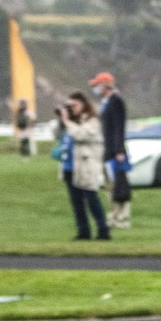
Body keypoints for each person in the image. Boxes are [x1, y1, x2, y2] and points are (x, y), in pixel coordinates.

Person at [55, 91, 111, 241]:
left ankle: (103, 230)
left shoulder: (93, 120)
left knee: (92, 199)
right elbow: (57, 136)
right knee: (76, 202)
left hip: (86, 166)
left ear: (84, 104)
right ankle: (83, 231)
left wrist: (68, 122)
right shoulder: (71, 121)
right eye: (69, 106)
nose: (71, 108)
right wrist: (62, 121)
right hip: (70, 166)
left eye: (74, 105)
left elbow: (81, 135)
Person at [92, 72, 131, 230]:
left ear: (105, 86)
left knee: (119, 184)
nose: (95, 89)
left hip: (115, 150)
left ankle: (122, 217)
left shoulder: (116, 101)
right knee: (110, 185)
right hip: (107, 148)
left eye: (97, 85)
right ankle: (114, 215)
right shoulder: (105, 102)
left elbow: (119, 128)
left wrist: (119, 150)